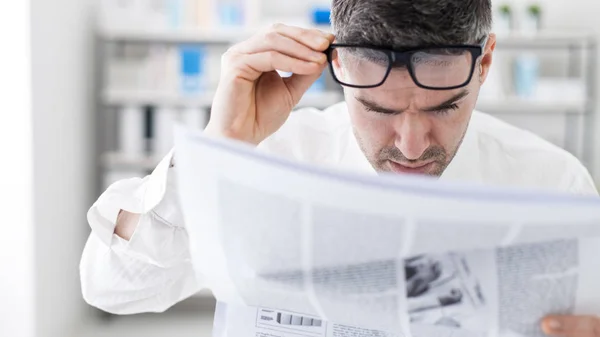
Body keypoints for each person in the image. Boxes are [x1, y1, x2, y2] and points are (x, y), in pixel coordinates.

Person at [80, 0, 600, 335]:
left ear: (484, 63)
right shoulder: (270, 155)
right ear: (339, 68)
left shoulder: (552, 182)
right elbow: (111, 288)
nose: (413, 146)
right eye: (379, 110)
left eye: (443, 107)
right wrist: (220, 147)